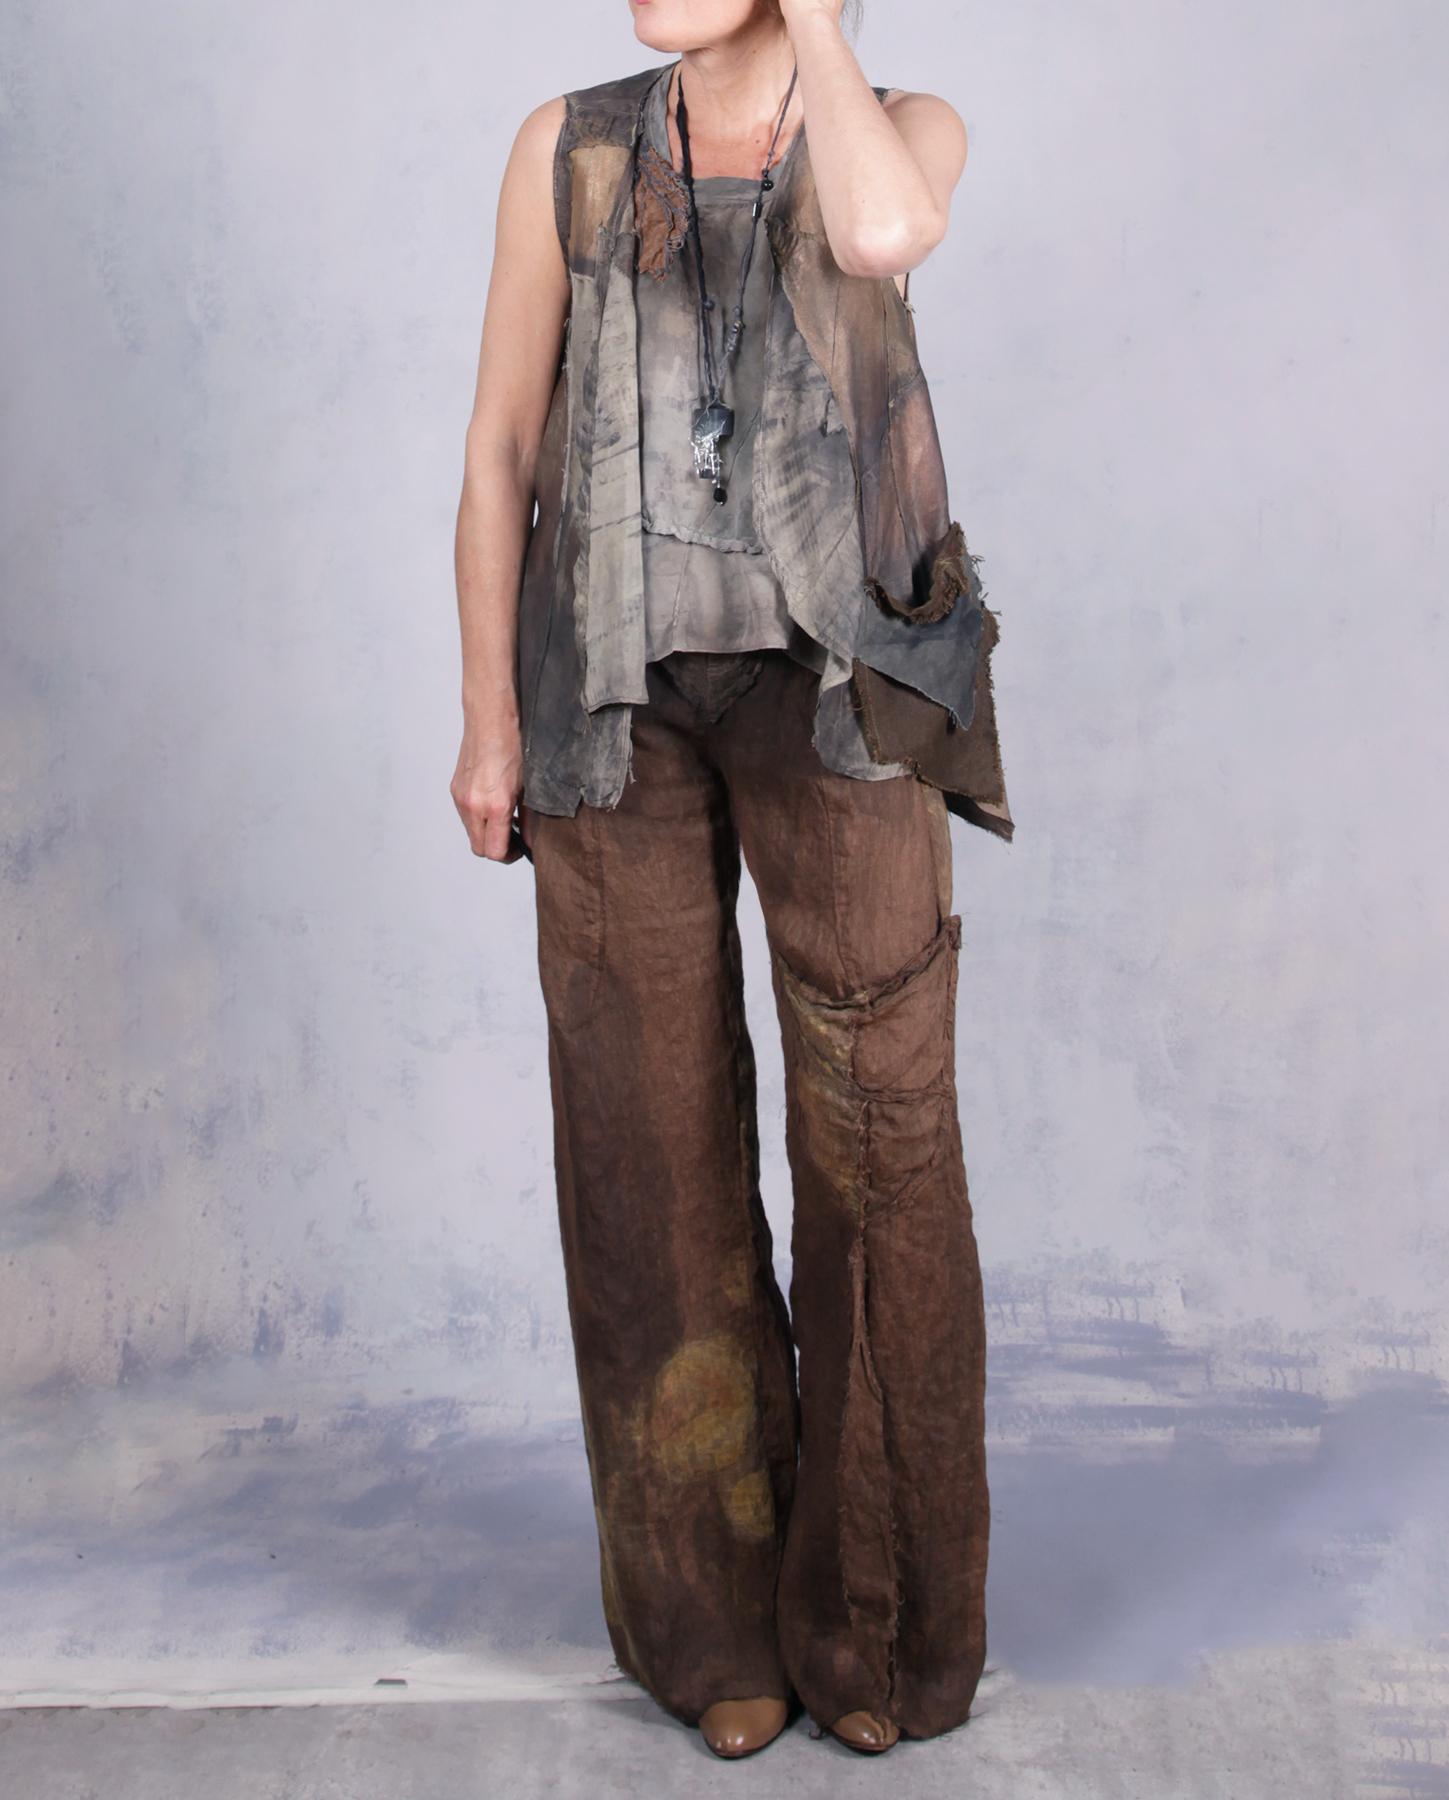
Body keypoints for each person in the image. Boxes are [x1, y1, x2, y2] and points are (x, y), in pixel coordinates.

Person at [452, 0, 1013, 1762]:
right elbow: (499, 449)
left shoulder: (902, 125)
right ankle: (709, 1640)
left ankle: (879, 1639)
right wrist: (485, 721)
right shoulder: (567, 144)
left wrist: (821, 32)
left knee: (877, 1147)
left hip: (842, 691)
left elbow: (881, 232)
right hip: (607, 692)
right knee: (644, 1156)